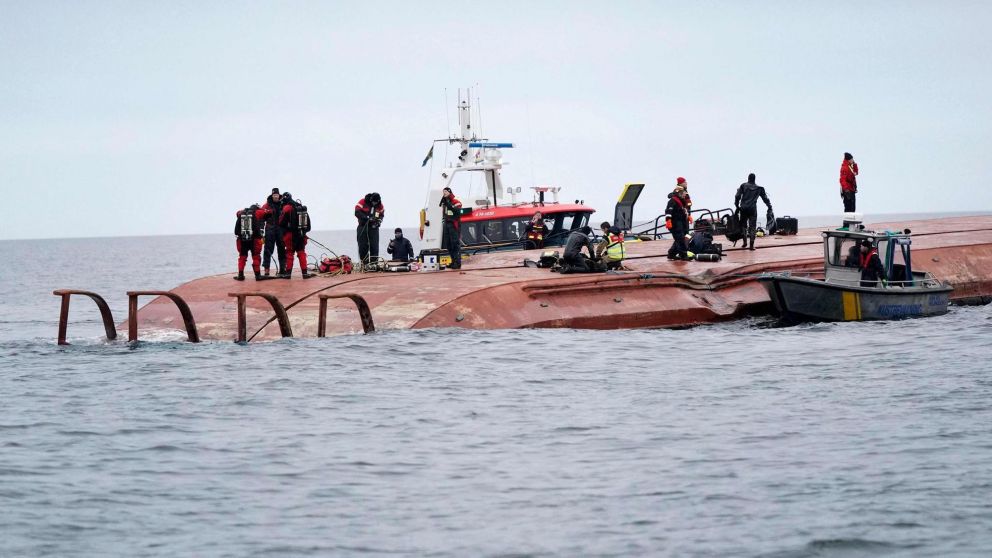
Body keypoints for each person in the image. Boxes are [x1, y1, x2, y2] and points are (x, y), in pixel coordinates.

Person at [734, 173, 773, 250]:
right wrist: (769, 206)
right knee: (752, 227)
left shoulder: (743, 185)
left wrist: (737, 205)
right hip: (752, 209)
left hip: (743, 208)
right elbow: (765, 199)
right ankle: (751, 245)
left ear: (748, 178)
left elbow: (737, 196)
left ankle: (744, 242)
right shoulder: (759, 188)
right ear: (754, 179)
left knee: (743, 226)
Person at [278, 192, 312, 279]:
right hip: (301, 234)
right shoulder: (300, 207)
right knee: (301, 253)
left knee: (289, 253)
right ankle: (304, 273)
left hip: (291, 235)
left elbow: (281, 222)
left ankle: (288, 273)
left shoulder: (287, 208)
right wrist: (303, 232)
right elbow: (308, 225)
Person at [233, 203, 271, 281]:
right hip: (255, 240)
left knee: (242, 257)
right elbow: (269, 213)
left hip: (242, 239)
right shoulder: (258, 212)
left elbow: (237, 214)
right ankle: (257, 275)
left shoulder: (242, 213)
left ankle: (240, 275)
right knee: (256, 256)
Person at [355, 192, 384, 264]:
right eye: (373, 202)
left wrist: (378, 222)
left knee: (374, 246)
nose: (374, 203)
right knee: (363, 245)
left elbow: (381, 215)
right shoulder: (362, 202)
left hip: (374, 228)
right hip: (363, 226)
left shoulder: (380, 205)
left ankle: (374, 264)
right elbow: (357, 212)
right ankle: (364, 263)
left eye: (376, 202)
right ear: (371, 200)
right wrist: (367, 218)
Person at [261, 188, 285, 276]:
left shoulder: (283, 204)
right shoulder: (266, 206)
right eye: (274, 195)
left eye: (277, 195)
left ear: (279, 195)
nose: (275, 197)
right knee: (267, 250)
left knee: (282, 250)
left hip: (280, 230)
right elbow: (261, 218)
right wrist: (261, 230)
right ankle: (266, 269)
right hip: (270, 230)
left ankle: (282, 268)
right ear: (272, 195)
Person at [440, 187, 462, 269]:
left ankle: (457, 262)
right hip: (447, 224)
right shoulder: (444, 203)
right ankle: (453, 261)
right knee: (449, 244)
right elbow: (444, 214)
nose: (444, 193)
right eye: (443, 192)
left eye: (445, 191)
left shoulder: (456, 202)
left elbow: (456, 211)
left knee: (455, 244)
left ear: (449, 192)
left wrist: (448, 203)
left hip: (454, 224)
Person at [666, 186, 690, 260]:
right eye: (683, 193)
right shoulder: (672, 201)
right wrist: (668, 221)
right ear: (679, 193)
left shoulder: (681, 201)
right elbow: (668, 212)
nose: (684, 195)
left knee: (680, 239)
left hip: (682, 222)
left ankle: (671, 254)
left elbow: (684, 210)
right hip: (676, 223)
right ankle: (683, 255)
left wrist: (688, 216)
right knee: (680, 239)